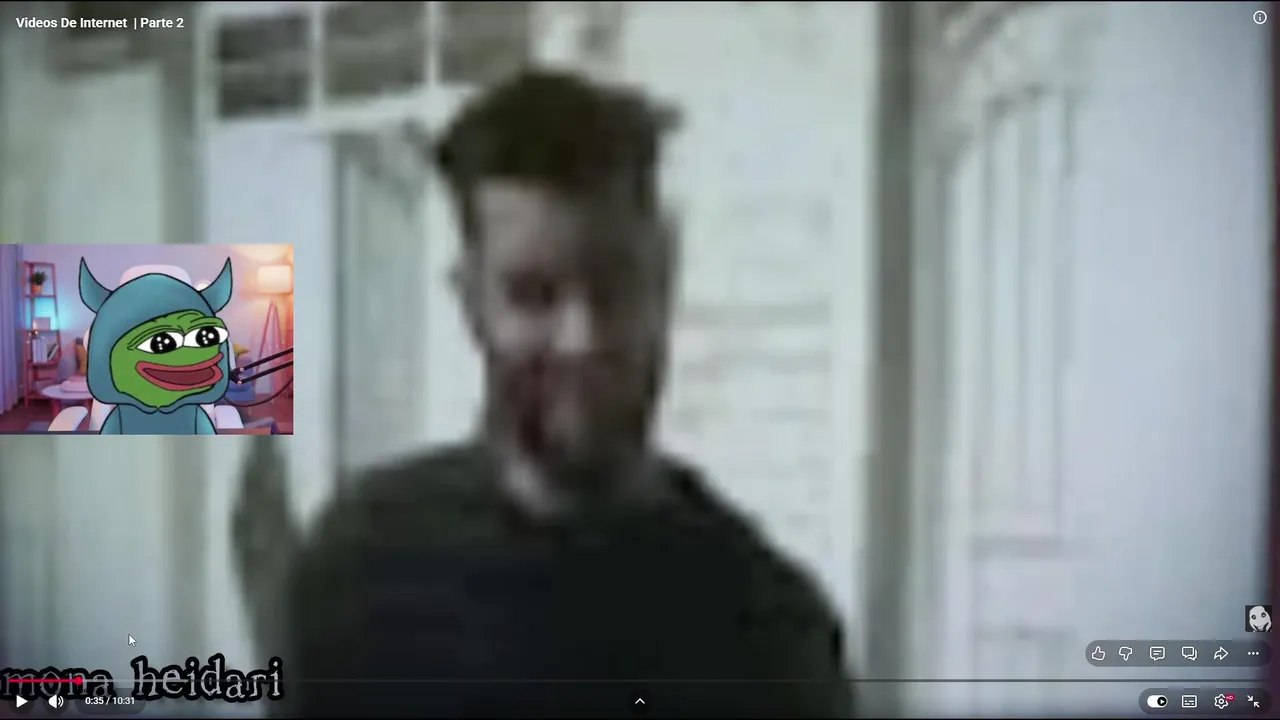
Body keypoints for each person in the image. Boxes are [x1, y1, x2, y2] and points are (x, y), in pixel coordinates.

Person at [233, 70, 853, 718]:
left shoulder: (772, 630)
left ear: (666, 275)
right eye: (533, 295)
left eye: (615, 284)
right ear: (471, 304)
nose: (582, 339)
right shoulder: (358, 571)